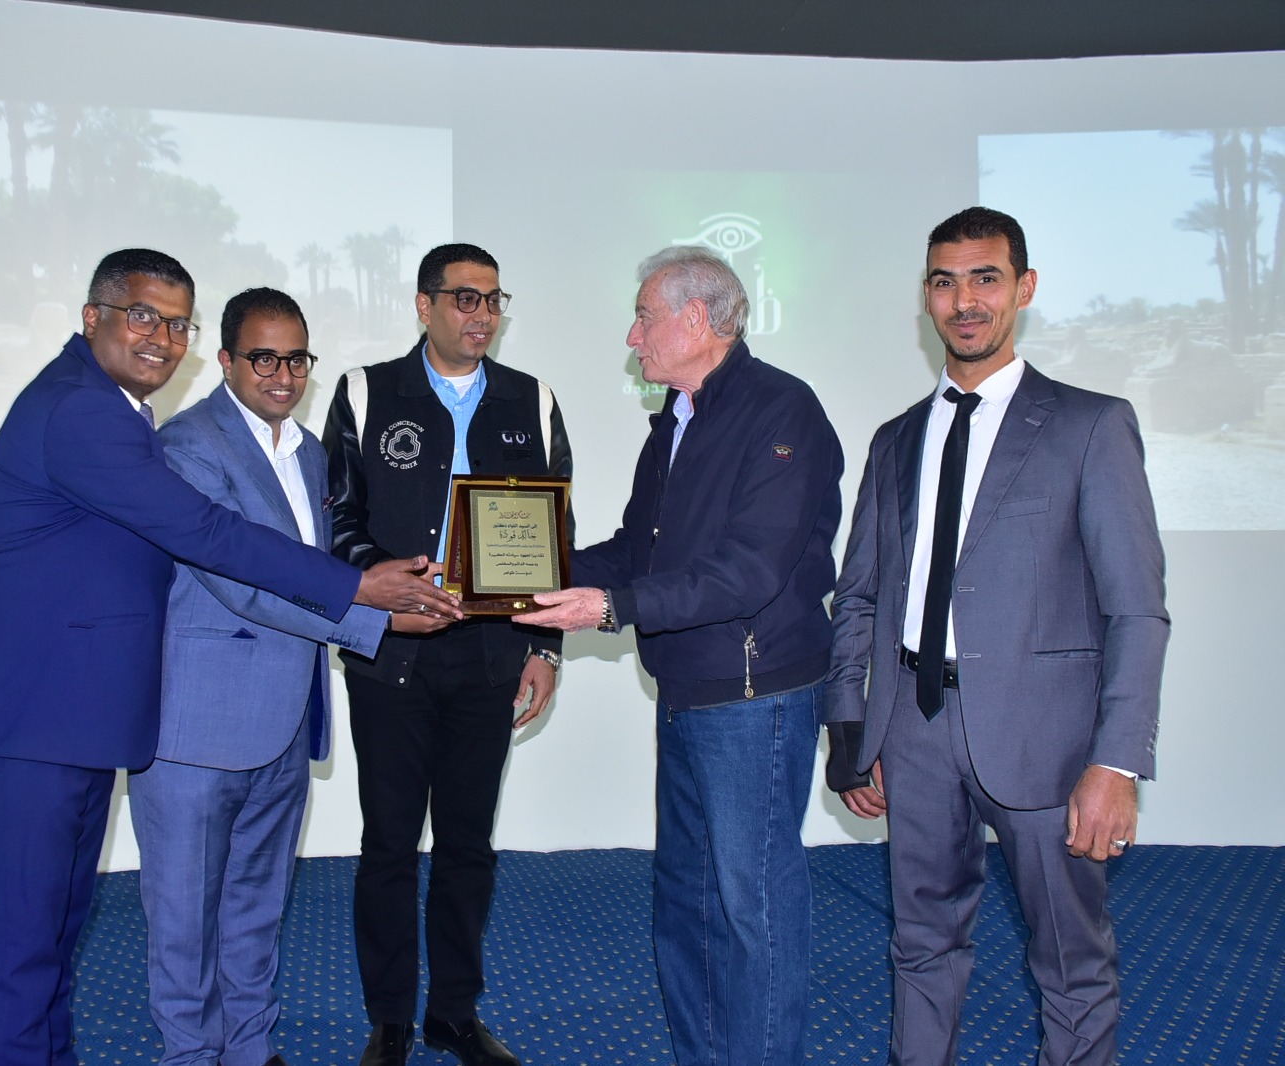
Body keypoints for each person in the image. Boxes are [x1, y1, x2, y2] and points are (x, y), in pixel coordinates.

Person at [0, 250, 459, 1066]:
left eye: (176, 324)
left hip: (70, 719)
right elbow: (206, 534)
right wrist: (357, 590)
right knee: (21, 952)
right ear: (92, 317)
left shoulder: (119, 411)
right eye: (142, 316)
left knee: (52, 941)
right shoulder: (83, 411)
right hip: (23, 718)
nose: (161, 338)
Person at [822, 207, 1169, 1065]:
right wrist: (851, 729)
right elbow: (858, 595)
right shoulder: (896, 439)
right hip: (912, 731)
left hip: (1048, 743)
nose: (965, 301)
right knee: (920, 944)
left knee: (1071, 959)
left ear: (1024, 287)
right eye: (945, 282)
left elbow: (1136, 609)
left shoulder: (1091, 425)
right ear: (926, 297)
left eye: (985, 278)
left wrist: (1117, 763)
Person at [515, 245, 843, 1066]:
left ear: (698, 320)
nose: (633, 338)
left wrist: (611, 608)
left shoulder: (782, 411)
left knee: (752, 909)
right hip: (688, 691)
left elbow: (749, 571)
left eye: (643, 317)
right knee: (687, 906)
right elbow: (639, 550)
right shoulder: (676, 417)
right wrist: (517, 573)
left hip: (755, 700)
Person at [323, 243, 573, 1066]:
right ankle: (390, 1018)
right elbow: (337, 517)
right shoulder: (365, 392)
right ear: (424, 305)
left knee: (468, 847)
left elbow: (554, 537)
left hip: (490, 659)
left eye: (494, 300)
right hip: (391, 654)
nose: (483, 315)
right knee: (389, 844)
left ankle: (454, 1014)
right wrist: (384, 587)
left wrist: (544, 647)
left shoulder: (532, 400)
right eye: (466, 298)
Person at [130, 287, 393, 1066]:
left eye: (297, 359)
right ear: (226, 360)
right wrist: (377, 618)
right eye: (264, 358)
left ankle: (249, 1047)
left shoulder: (309, 452)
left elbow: (322, 564)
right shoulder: (187, 447)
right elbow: (240, 581)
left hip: (285, 719)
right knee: (184, 918)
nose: (283, 375)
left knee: (256, 905)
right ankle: (190, 1054)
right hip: (196, 729)